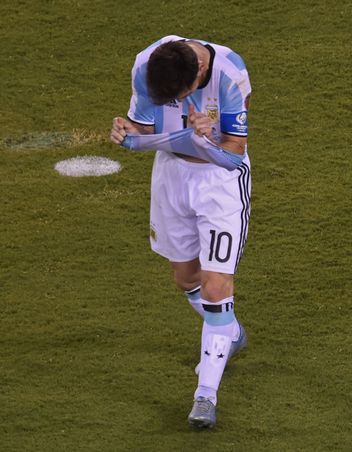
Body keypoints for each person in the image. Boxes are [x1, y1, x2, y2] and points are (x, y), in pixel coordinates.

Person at [109, 35, 252, 429]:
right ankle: (230, 332)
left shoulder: (230, 74)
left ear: (199, 75)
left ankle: (205, 397)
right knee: (185, 277)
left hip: (218, 186)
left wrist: (207, 139)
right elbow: (141, 123)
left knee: (215, 285)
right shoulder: (149, 65)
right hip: (171, 177)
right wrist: (126, 131)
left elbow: (234, 153)